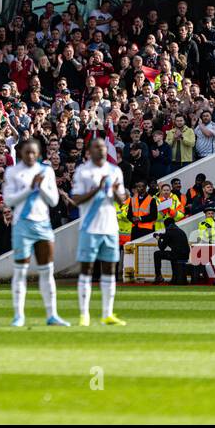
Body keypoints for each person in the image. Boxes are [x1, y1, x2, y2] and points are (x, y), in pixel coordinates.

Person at [2, 138, 68, 327]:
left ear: (38, 154)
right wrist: (30, 187)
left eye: (34, 152)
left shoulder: (46, 171)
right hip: (22, 224)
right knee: (20, 271)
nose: (30, 155)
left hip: (43, 225)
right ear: (21, 153)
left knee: (47, 271)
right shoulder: (13, 171)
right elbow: (9, 199)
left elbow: (54, 200)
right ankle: (18, 316)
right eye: (27, 152)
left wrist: (39, 187)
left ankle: (52, 314)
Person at [69, 137, 127, 327]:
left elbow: (122, 199)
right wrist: (97, 189)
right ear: (89, 151)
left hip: (110, 227)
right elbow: (76, 199)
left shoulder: (115, 170)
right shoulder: (83, 171)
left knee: (110, 271)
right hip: (90, 227)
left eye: (103, 147)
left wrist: (117, 191)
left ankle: (107, 313)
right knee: (86, 270)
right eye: (97, 147)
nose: (101, 150)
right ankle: (84, 314)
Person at [152, 214, 191, 285]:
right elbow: (171, 237)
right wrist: (162, 236)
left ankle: (158, 277)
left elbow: (162, 248)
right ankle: (174, 279)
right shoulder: (180, 230)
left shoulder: (169, 231)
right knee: (172, 255)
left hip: (177, 255)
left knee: (157, 254)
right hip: (185, 255)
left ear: (165, 225)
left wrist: (158, 239)